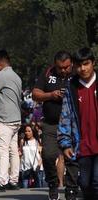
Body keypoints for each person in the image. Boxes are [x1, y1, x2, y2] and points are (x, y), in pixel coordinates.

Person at [58, 47, 98, 200]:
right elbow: (65, 117)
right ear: (74, 66)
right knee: (85, 183)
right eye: (79, 65)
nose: (83, 68)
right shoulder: (71, 87)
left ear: (93, 63)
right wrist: (65, 143)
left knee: (96, 182)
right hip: (82, 145)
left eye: (86, 64)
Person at [32, 51, 72, 200]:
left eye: (66, 67)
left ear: (71, 64)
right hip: (50, 123)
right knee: (48, 155)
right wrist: (51, 95)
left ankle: (71, 188)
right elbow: (35, 94)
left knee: (72, 159)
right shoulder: (48, 73)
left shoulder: (75, 74)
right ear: (55, 65)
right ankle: (53, 185)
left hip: (71, 125)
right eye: (60, 67)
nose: (63, 70)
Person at [0, 50, 22, 191]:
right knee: (13, 151)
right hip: (16, 118)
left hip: (5, 119)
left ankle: (1, 181)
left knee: (3, 151)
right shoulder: (16, 76)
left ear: (0, 62)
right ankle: (14, 180)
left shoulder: (2, 75)